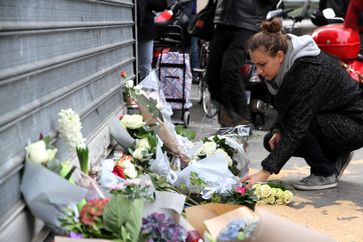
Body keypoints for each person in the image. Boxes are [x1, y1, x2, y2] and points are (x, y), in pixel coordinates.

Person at [243, 18, 363, 190]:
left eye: (262, 65)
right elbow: (286, 106)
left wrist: (265, 171)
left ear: (279, 56)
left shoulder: (309, 69)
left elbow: (298, 123)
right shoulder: (285, 65)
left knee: (298, 126)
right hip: (332, 118)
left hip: (354, 126)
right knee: (271, 140)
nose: (259, 72)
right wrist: (278, 129)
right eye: (256, 65)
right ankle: (334, 157)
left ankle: (324, 173)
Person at [205, 0, 278, 128]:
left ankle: (243, 120)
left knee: (229, 71)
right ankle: (229, 116)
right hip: (222, 20)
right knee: (212, 76)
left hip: (247, 24)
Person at [137, 0, 173, 80]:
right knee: (143, 66)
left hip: (145, 31)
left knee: (145, 66)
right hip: (136, 29)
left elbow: (161, 5)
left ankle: (144, 90)